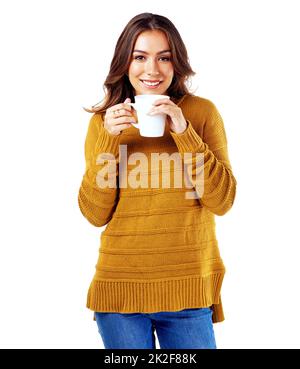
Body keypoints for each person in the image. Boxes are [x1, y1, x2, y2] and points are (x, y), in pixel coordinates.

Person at [78, 12, 237, 349]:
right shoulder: (103, 124)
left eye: (164, 57)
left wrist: (184, 132)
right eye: (140, 57)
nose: (152, 69)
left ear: (176, 63)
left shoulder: (201, 114)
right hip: (120, 294)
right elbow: (95, 214)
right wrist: (109, 140)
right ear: (125, 62)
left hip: (188, 290)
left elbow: (222, 201)